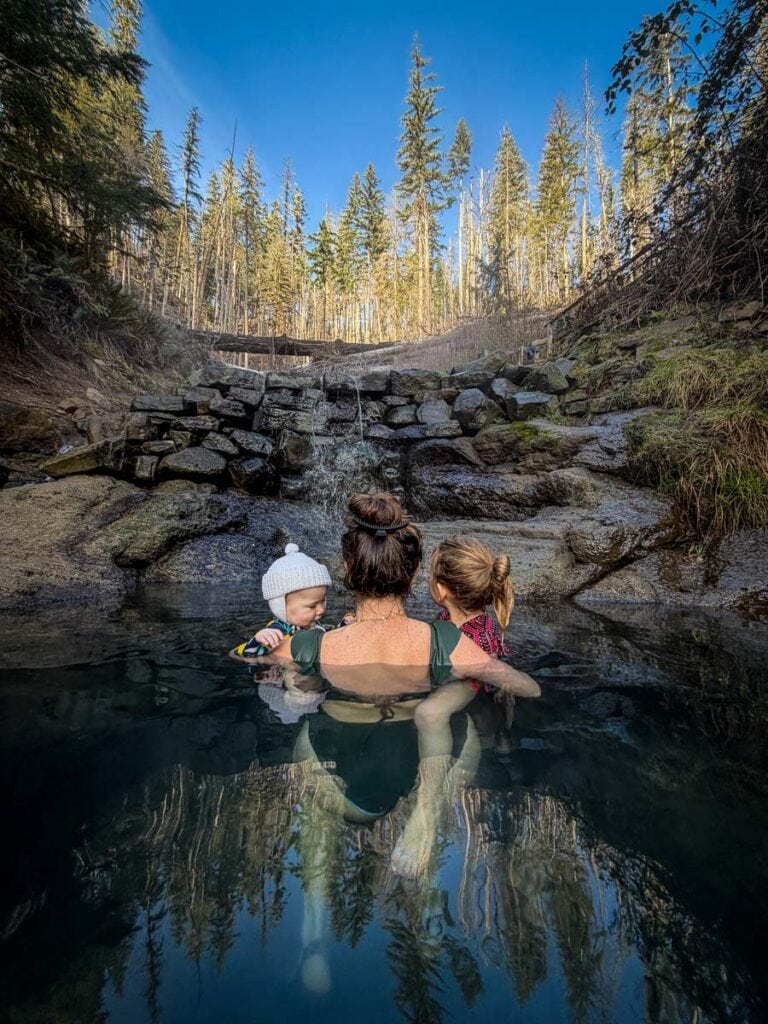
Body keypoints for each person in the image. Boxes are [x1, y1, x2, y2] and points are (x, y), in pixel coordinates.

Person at [234, 543, 332, 657]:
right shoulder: (276, 632)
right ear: (280, 607)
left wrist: (345, 624)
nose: (321, 610)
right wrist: (258, 640)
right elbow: (241, 652)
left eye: (323, 600)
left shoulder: (313, 624)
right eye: (312, 606)